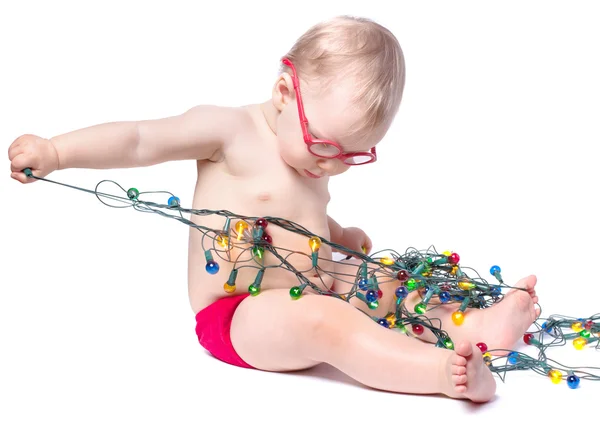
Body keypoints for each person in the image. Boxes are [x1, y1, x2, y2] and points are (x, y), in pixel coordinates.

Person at [8, 15, 539, 403]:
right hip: (238, 317)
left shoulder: (311, 160)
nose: (332, 167)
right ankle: (441, 375)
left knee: (383, 282)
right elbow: (140, 139)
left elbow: (293, 225)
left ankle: (475, 329)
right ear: (285, 91)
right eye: (326, 146)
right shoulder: (230, 132)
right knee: (325, 319)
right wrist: (57, 151)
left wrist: (338, 235)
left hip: (316, 283)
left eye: (355, 155)